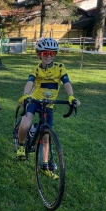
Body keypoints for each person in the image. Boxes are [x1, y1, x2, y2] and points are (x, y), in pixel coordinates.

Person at [16, 37, 80, 169]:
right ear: (39, 54)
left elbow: (66, 83)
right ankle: (21, 145)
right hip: (34, 100)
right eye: (45, 53)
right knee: (24, 126)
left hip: (49, 104)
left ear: (55, 54)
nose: (49, 56)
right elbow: (30, 82)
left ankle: (44, 164)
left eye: (52, 53)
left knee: (46, 136)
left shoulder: (60, 68)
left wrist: (71, 96)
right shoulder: (37, 69)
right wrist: (25, 95)